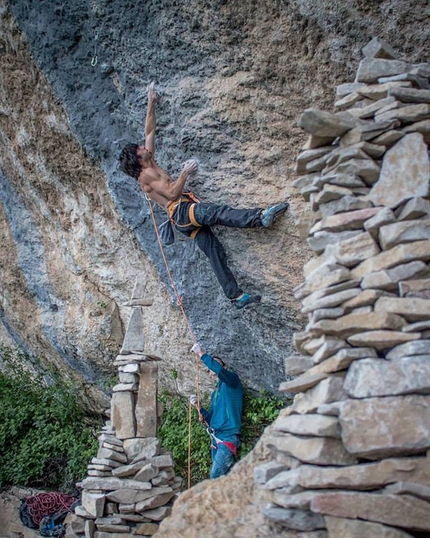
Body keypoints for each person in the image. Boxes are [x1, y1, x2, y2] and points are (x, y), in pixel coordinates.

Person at [119, 82, 289, 309]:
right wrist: (185, 173)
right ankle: (260, 217)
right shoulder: (146, 175)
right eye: (139, 148)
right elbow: (171, 193)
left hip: (181, 219)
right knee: (217, 212)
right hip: (181, 211)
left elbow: (149, 130)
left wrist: (151, 101)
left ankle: (236, 296)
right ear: (137, 158)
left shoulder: (149, 161)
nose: (143, 145)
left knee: (214, 251)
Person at [189, 342, 243, 479]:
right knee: (223, 478)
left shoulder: (233, 382)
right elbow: (210, 418)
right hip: (216, 438)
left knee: (215, 476)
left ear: (223, 366)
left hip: (228, 437)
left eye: (214, 365)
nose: (210, 369)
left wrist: (201, 353)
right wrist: (198, 406)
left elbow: (220, 371)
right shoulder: (215, 394)